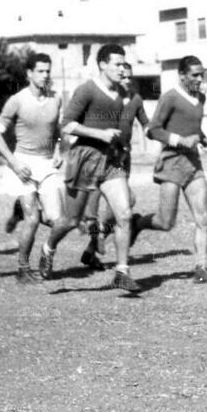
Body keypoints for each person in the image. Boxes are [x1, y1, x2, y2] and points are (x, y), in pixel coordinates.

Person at [128, 56, 207, 284]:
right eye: (195, 75)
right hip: (171, 164)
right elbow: (152, 130)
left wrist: (202, 138)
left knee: (203, 217)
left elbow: (194, 126)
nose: (200, 79)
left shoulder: (200, 96)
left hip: (193, 165)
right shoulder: (170, 97)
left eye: (202, 74)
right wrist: (180, 140)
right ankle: (138, 223)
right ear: (182, 76)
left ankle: (201, 267)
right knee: (165, 221)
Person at [60, 43, 141, 293]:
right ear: (102, 64)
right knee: (74, 219)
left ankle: (122, 271)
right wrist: (100, 134)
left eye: (124, 64)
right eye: (117, 64)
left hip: (110, 163)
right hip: (85, 160)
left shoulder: (120, 95)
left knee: (125, 213)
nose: (121, 68)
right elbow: (67, 125)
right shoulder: (86, 90)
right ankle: (49, 248)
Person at [0, 52, 69, 284]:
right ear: (29, 74)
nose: (45, 75)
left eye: (47, 71)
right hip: (22, 163)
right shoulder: (17, 100)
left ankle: (45, 249)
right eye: (40, 71)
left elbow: (58, 133)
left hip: (47, 165)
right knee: (32, 218)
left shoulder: (56, 99)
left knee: (59, 220)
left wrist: (58, 152)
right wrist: (14, 163)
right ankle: (23, 268)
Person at [79, 61, 149, 270]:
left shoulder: (135, 99)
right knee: (91, 208)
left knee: (124, 204)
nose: (126, 80)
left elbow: (146, 123)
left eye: (129, 77)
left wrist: (159, 134)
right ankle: (92, 236)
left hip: (122, 158)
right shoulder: (106, 97)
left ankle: (92, 249)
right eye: (123, 76)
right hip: (97, 156)